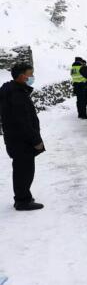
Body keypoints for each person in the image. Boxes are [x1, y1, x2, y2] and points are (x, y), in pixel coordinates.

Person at [0, 63, 45, 211]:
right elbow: (23, 121)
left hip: (15, 139)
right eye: (30, 74)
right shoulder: (17, 94)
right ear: (21, 76)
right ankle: (22, 201)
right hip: (21, 140)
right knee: (24, 171)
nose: (31, 77)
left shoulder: (12, 90)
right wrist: (36, 140)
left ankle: (23, 196)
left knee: (21, 169)